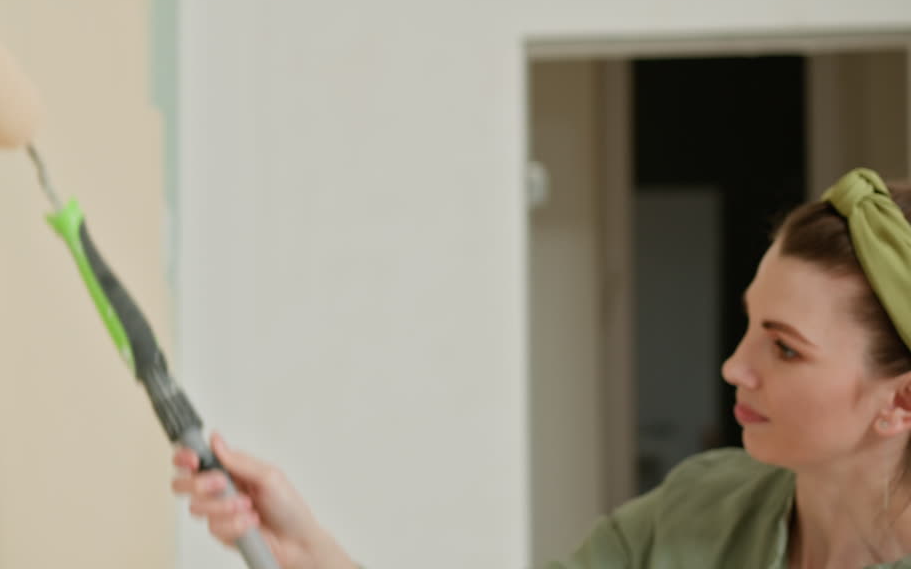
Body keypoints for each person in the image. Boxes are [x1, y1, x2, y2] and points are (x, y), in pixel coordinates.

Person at [172, 168, 911, 569]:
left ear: (899, 403)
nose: (733, 366)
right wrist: (314, 554)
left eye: (784, 348)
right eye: (750, 323)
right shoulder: (702, 510)